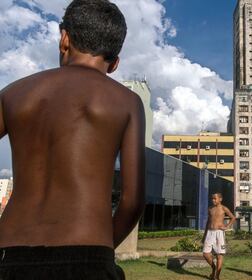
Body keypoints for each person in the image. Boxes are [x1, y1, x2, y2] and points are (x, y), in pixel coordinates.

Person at [0, 0, 145, 279]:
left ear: (64, 39)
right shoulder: (126, 102)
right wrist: (102, 252)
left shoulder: (14, 94)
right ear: (115, 63)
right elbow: (132, 200)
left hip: (8, 253)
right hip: (88, 250)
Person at [202, 193, 236, 280]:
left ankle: (217, 276)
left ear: (220, 199)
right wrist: (204, 235)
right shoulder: (210, 209)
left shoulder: (224, 208)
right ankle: (213, 268)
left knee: (219, 255)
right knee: (205, 254)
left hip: (219, 233)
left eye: (215, 198)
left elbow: (233, 217)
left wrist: (227, 226)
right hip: (209, 232)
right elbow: (207, 222)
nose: (213, 200)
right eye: (212, 198)